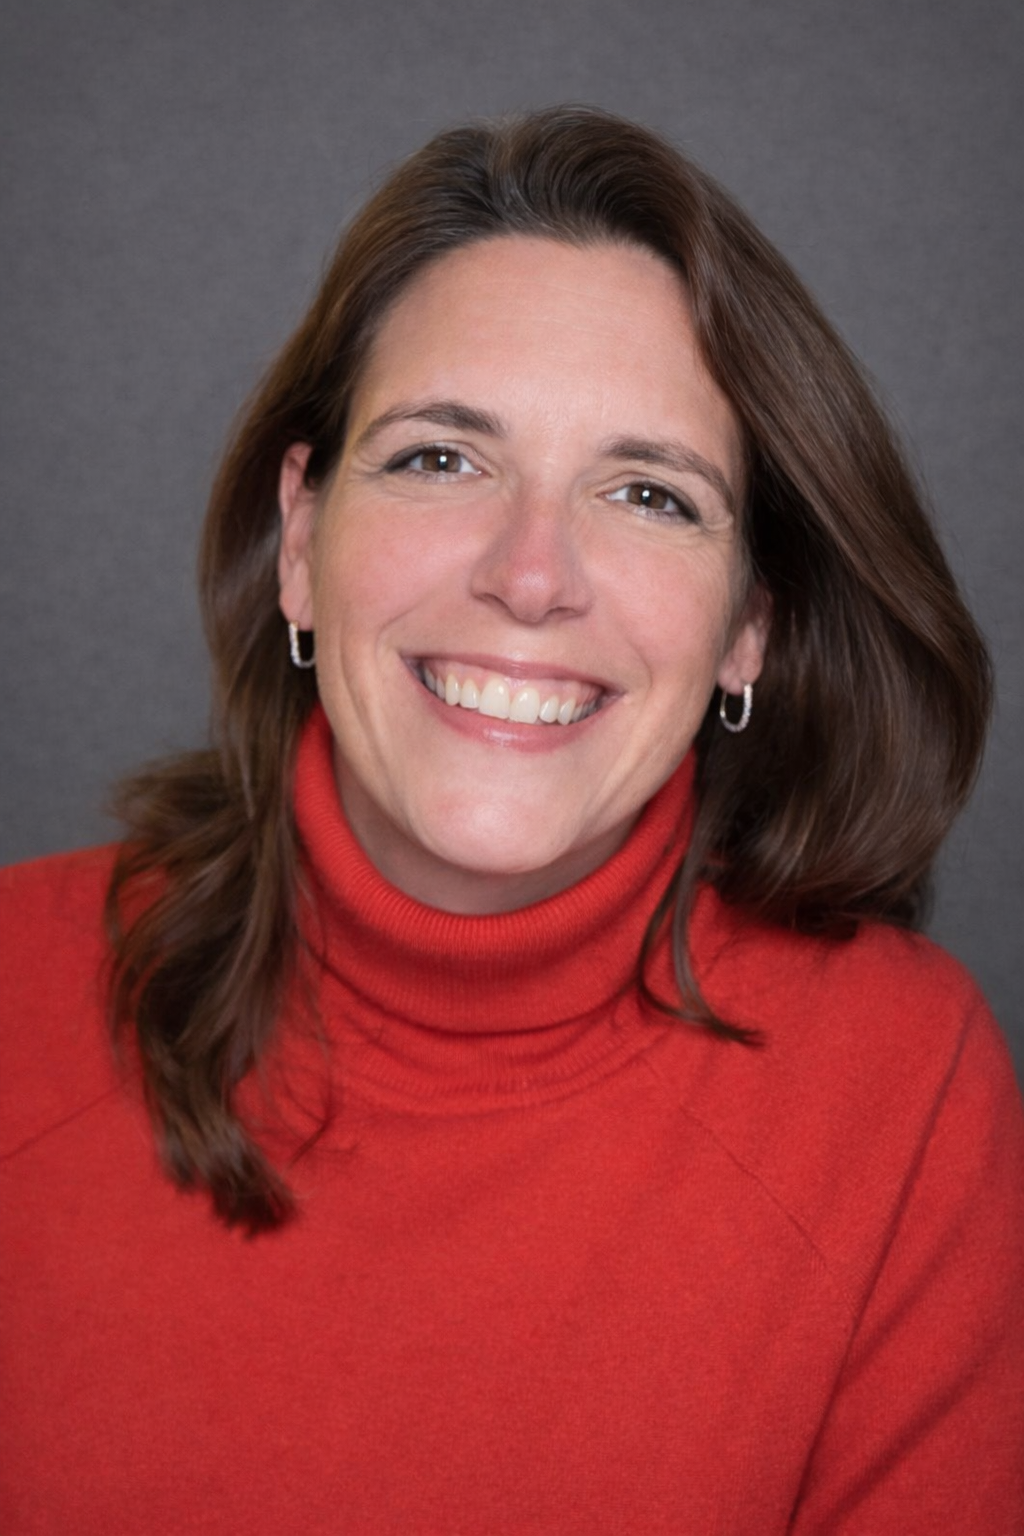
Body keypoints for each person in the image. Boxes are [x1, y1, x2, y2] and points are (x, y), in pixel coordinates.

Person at [1, 105, 1022, 1534]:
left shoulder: (898, 1090)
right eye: (439, 459)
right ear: (302, 540)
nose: (532, 575)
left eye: (649, 493)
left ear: (750, 630)